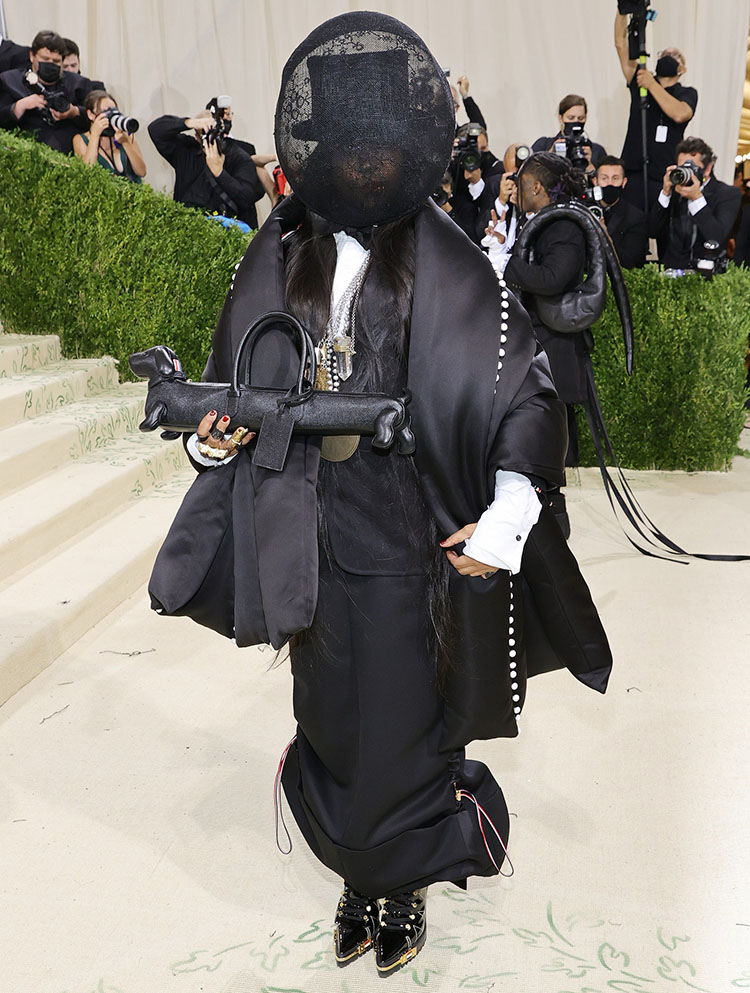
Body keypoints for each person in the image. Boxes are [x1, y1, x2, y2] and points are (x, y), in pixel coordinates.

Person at [157, 13, 611, 976]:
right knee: (329, 711)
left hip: (410, 543)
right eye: (347, 147)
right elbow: (231, 386)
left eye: (379, 148)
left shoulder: (451, 266)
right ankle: (357, 873)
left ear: (405, 150)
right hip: (308, 533)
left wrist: (509, 511)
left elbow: (519, 395)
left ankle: (400, 879)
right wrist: (214, 440)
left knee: (407, 717)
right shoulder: (278, 252)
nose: (363, 167)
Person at [487, 152, 589, 535]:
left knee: (549, 451)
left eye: (522, 183)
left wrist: (506, 263)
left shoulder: (563, 226)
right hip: (537, 346)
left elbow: (552, 278)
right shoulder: (540, 222)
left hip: (556, 351)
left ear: (537, 188)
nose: (517, 190)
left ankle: (553, 533)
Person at [615, 12, 697, 213]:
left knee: (665, 235)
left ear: (682, 69)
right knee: (632, 234)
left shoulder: (686, 93)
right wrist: (622, 11)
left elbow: (679, 113)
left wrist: (651, 84)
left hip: (666, 177)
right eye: (664, 53)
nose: (668, 56)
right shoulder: (641, 80)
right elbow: (620, 44)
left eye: (675, 55)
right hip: (634, 172)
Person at [148, 101, 265, 229]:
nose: (212, 137)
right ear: (197, 137)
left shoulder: (239, 156)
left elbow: (247, 197)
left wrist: (220, 174)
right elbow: (155, 130)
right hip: (189, 229)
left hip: (229, 234)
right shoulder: (187, 151)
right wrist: (189, 122)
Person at [649, 137, 741, 271]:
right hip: (670, 273)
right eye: (682, 167)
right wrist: (665, 193)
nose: (685, 172)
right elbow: (652, 231)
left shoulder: (727, 194)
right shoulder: (673, 191)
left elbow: (717, 237)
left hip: (706, 276)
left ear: (708, 168)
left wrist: (696, 198)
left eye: (691, 167)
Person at [0, 29, 93, 154]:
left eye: (55, 61)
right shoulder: (10, 81)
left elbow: (94, 117)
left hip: (69, 156)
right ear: (32, 56)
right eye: (45, 59)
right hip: (25, 155)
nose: (50, 64)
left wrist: (73, 112)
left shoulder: (78, 84)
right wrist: (18, 107)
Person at [72, 90, 146, 182]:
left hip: (135, 194)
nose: (111, 115)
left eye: (114, 110)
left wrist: (126, 143)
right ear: (90, 115)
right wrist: (95, 135)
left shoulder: (126, 135)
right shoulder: (80, 140)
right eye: (106, 111)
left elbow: (142, 172)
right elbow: (87, 173)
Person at [450, 122, 503, 245]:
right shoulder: (453, 167)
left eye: (483, 149)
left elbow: (489, 209)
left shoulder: (496, 169)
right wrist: (446, 159)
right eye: (473, 150)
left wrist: (477, 183)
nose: (478, 155)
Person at [532, 94, 607, 179]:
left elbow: (604, 182)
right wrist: (550, 156)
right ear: (561, 118)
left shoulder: (596, 150)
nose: (576, 121)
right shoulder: (544, 144)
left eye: (580, 118)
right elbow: (530, 175)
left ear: (585, 118)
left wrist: (589, 166)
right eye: (571, 118)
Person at [595, 155, 648, 268]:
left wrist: (605, 237)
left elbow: (631, 260)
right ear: (596, 181)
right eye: (604, 178)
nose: (609, 183)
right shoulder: (585, 211)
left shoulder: (635, 217)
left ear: (624, 182)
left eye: (615, 178)